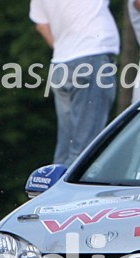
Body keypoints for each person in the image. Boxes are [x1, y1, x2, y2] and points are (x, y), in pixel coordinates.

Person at [29, 0, 120, 166]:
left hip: (61, 63)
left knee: (66, 147)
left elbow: (41, 25)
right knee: (85, 148)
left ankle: (57, 181)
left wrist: (65, 47)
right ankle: (73, 183)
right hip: (92, 55)